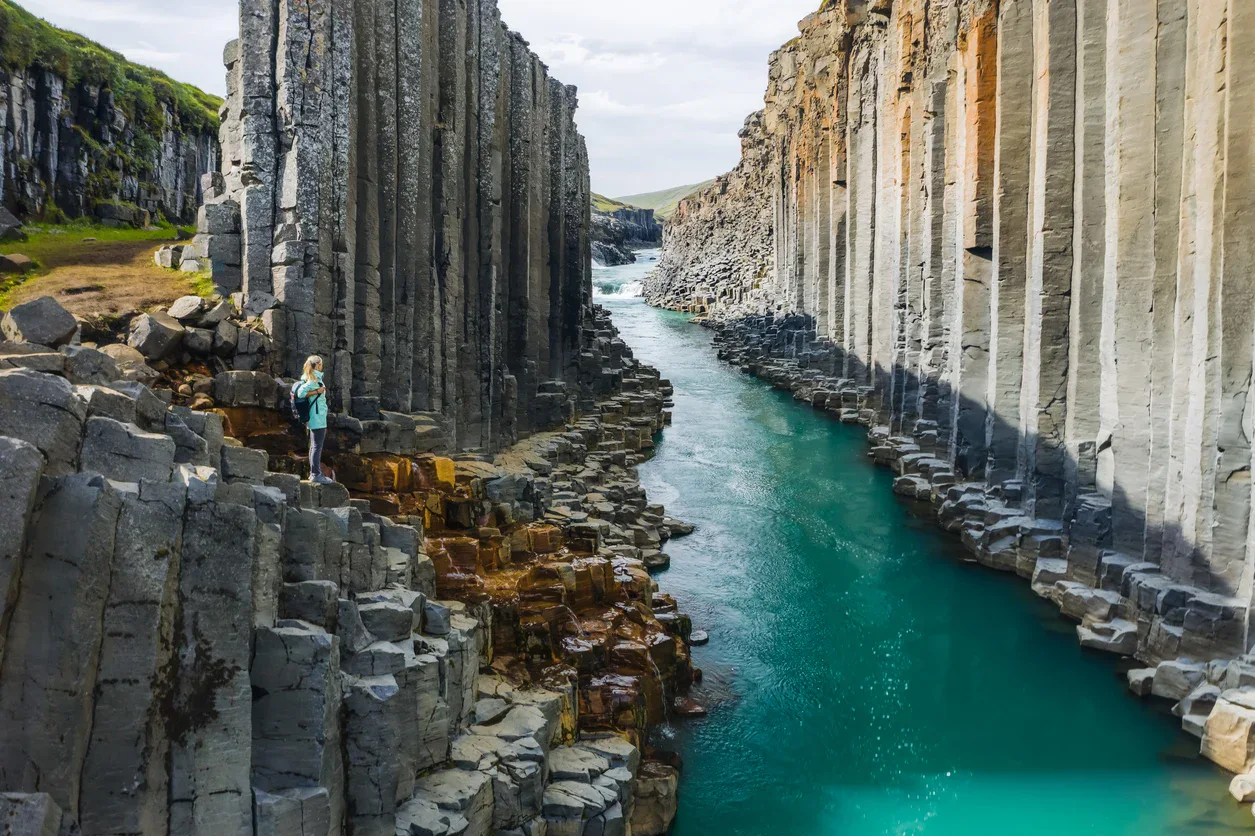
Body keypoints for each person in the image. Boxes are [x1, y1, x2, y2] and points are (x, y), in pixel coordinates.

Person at [294, 355, 334, 484]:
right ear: (317, 365)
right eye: (321, 364)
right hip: (317, 418)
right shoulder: (313, 380)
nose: (322, 366)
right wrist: (317, 391)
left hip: (316, 417)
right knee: (317, 446)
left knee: (314, 446)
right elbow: (300, 393)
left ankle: (314, 474)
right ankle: (316, 474)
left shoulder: (310, 378)